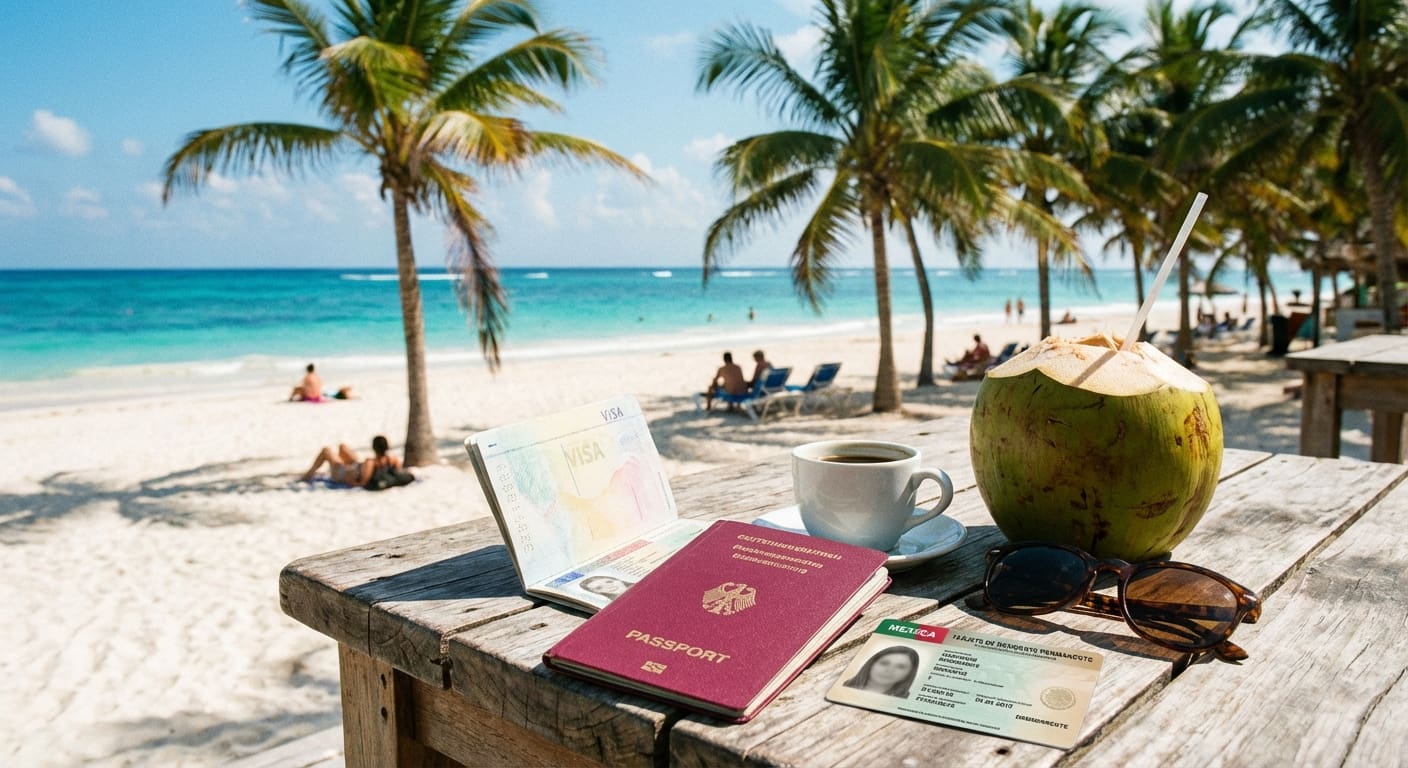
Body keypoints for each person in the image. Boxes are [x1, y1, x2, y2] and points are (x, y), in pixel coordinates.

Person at [301, 435, 405, 487]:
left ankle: (308, 475)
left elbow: (362, 482)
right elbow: (398, 474)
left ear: (373, 447)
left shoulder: (370, 462)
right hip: (356, 467)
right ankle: (341, 459)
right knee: (343, 447)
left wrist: (349, 481)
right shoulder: (393, 459)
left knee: (326, 451)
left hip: (342, 473)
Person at [843, 646, 919, 698]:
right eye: (884, 663)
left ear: (909, 673)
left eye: (900, 667)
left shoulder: (907, 700)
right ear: (871, 664)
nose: (889, 670)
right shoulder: (844, 686)